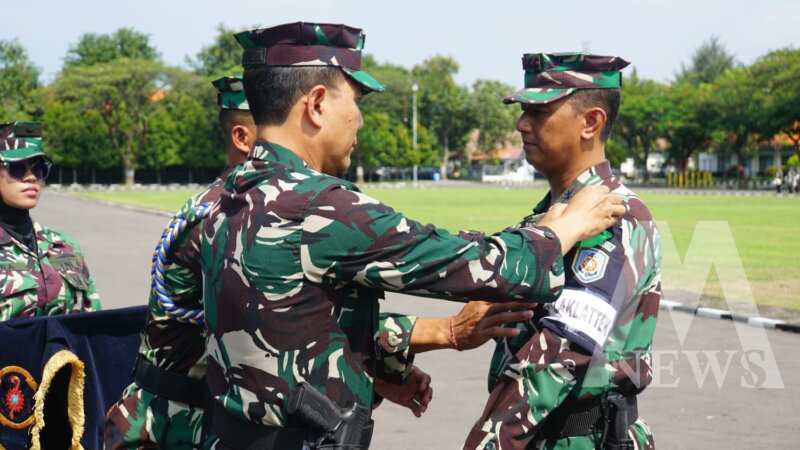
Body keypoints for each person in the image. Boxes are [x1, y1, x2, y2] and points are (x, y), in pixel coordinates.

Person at [199, 23, 625, 450]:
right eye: (356, 100)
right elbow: (476, 266)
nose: (359, 119)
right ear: (316, 104)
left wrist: (382, 370)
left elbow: (293, 321)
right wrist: (563, 228)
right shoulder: (319, 208)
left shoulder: (222, 200)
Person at [463, 53, 661, 450]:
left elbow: (556, 359)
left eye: (539, 112)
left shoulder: (612, 216)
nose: (522, 123)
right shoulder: (552, 217)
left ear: (591, 123)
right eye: (523, 111)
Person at [103, 76, 256, 449]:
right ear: (242, 138)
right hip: (170, 428)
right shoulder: (222, 217)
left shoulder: (244, 208)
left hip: (203, 418)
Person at [0, 121, 101, 321]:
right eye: (18, 168)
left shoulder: (64, 246)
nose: (31, 178)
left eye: (38, 169)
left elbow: (93, 321)